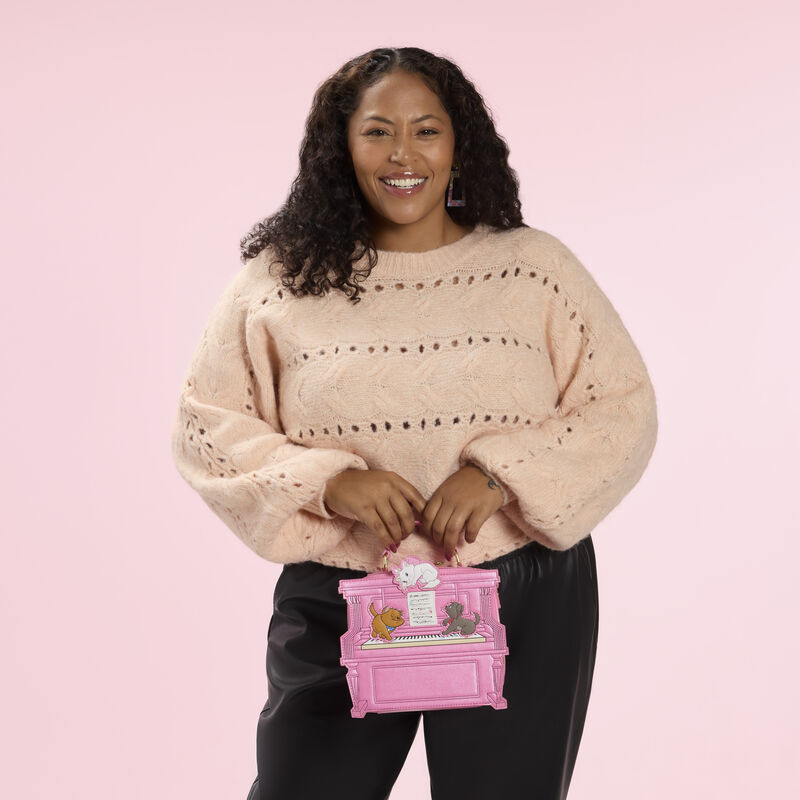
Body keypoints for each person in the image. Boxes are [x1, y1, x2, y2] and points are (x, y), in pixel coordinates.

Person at [170, 47, 658, 800]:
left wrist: (499, 474)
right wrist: (333, 484)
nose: (404, 154)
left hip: (518, 586)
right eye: (377, 132)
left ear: (459, 144)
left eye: (426, 130)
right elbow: (206, 423)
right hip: (341, 588)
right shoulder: (278, 281)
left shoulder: (534, 269)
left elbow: (622, 408)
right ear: (342, 146)